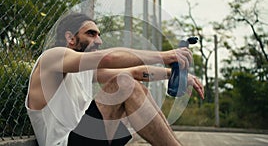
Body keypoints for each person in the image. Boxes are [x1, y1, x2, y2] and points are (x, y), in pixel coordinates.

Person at [25, 12, 204, 146]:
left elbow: (135, 72)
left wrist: (171, 73)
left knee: (132, 83)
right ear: (70, 38)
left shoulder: (82, 70)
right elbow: (109, 58)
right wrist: (164, 55)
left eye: (99, 34)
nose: (99, 40)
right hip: (67, 143)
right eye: (91, 34)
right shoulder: (52, 58)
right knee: (124, 83)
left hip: (87, 138)